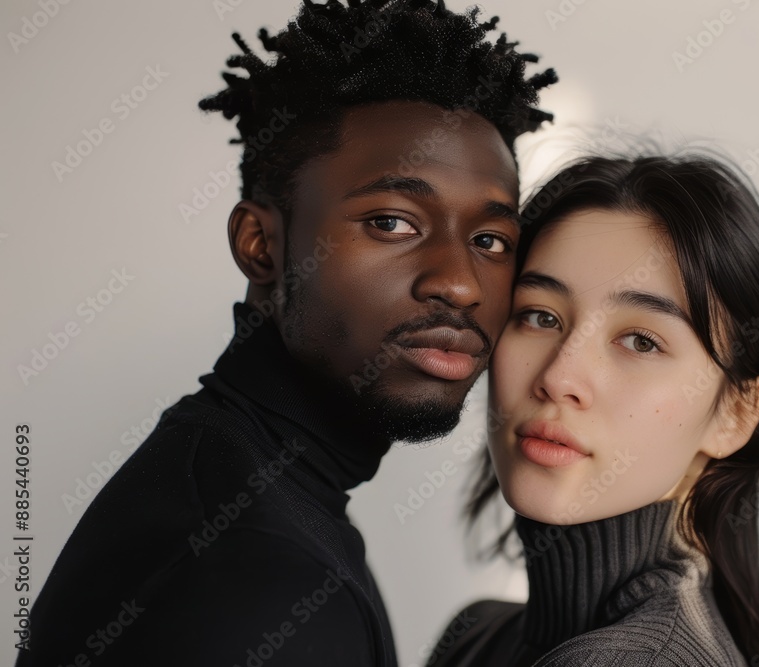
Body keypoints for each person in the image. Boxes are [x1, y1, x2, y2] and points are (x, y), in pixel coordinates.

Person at [18, 2, 555, 665]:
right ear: (261, 244)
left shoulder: (255, 492)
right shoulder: (258, 571)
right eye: (392, 222)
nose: (461, 282)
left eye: (489, 239)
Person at [429, 153, 759, 666]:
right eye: (539, 316)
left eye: (641, 342)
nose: (558, 378)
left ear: (735, 413)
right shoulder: (475, 637)